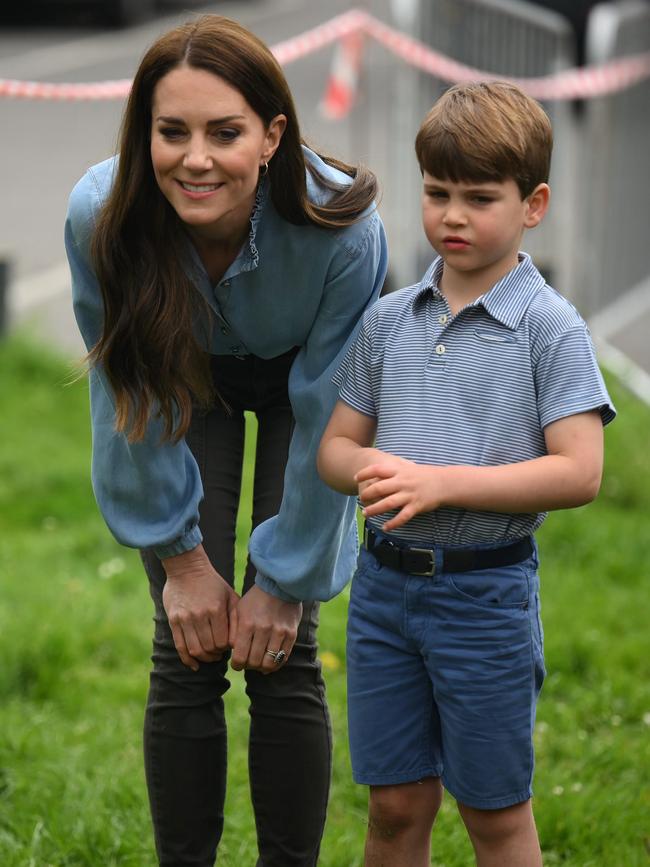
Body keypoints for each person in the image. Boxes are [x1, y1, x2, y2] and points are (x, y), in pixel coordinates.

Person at [64, 15, 387, 867]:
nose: (194, 158)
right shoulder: (103, 216)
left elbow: (334, 412)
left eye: (225, 132)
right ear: (145, 133)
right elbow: (127, 389)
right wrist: (182, 560)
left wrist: (284, 579)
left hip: (301, 389)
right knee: (188, 640)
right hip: (184, 377)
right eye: (171, 132)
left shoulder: (344, 229)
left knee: (284, 647)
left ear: (273, 134)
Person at [318, 81, 615, 867]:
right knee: (392, 807)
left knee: (494, 814)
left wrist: (441, 482)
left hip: (485, 600)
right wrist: (376, 467)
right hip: (383, 595)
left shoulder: (550, 329)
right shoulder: (388, 321)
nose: (452, 215)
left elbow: (580, 472)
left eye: (480, 197)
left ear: (534, 204)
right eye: (436, 192)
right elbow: (335, 451)